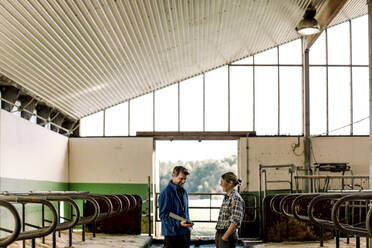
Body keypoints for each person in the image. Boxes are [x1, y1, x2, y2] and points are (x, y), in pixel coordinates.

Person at [158, 166, 194, 248]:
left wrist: (188, 222)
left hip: (185, 233)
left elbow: (184, 213)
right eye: (181, 178)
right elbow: (163, 216)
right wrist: (179, 223)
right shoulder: (165, 193)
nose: (183, 181)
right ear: (173, 175)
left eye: (185, 179)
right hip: (172, 235)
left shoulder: (183, 192)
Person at [215, 172, 245, 248]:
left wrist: (225, 236)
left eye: (222, 182)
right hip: (220, 233)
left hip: (227, 235)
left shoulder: (236, 198)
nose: (220, 184)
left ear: (230, 183)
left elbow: (235, 221)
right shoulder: (227, 197)